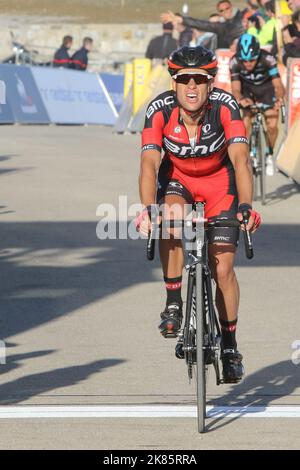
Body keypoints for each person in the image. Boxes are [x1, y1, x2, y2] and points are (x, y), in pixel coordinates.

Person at [136, 45, 261, 384]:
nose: (191, 86)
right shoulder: (159, 110)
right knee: (169, 219)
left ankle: (231, 346)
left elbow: (240, 160)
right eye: (184, 79)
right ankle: (174, 300)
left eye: (200, 80)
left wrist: (246, 205)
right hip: (178, 180)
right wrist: (149, 210)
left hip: (220, 184)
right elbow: (149, 164)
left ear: (210, 83)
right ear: (174, 82)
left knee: (223, 269)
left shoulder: (226, 107)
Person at [230, 33, 285, 175]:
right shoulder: (234, 61)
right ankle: (246, 153)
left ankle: (269, 153)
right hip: (247, 91)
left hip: (267, 90)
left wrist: (279, 99)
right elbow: (235, 89)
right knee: (246, 119)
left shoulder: (268, 58)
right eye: (245, 60)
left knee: (272, 124)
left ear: (258, 53)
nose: (248, 63)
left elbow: (278, 86)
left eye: (252, 60)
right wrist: (241, 99)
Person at [162, 1, 245, 49]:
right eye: (222, 10)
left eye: (227, 8)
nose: (226, 11)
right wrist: (181, 19)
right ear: (219, 13)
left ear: (231, 6)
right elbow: (202, 24)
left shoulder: (243, 17)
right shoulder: (221, 26)